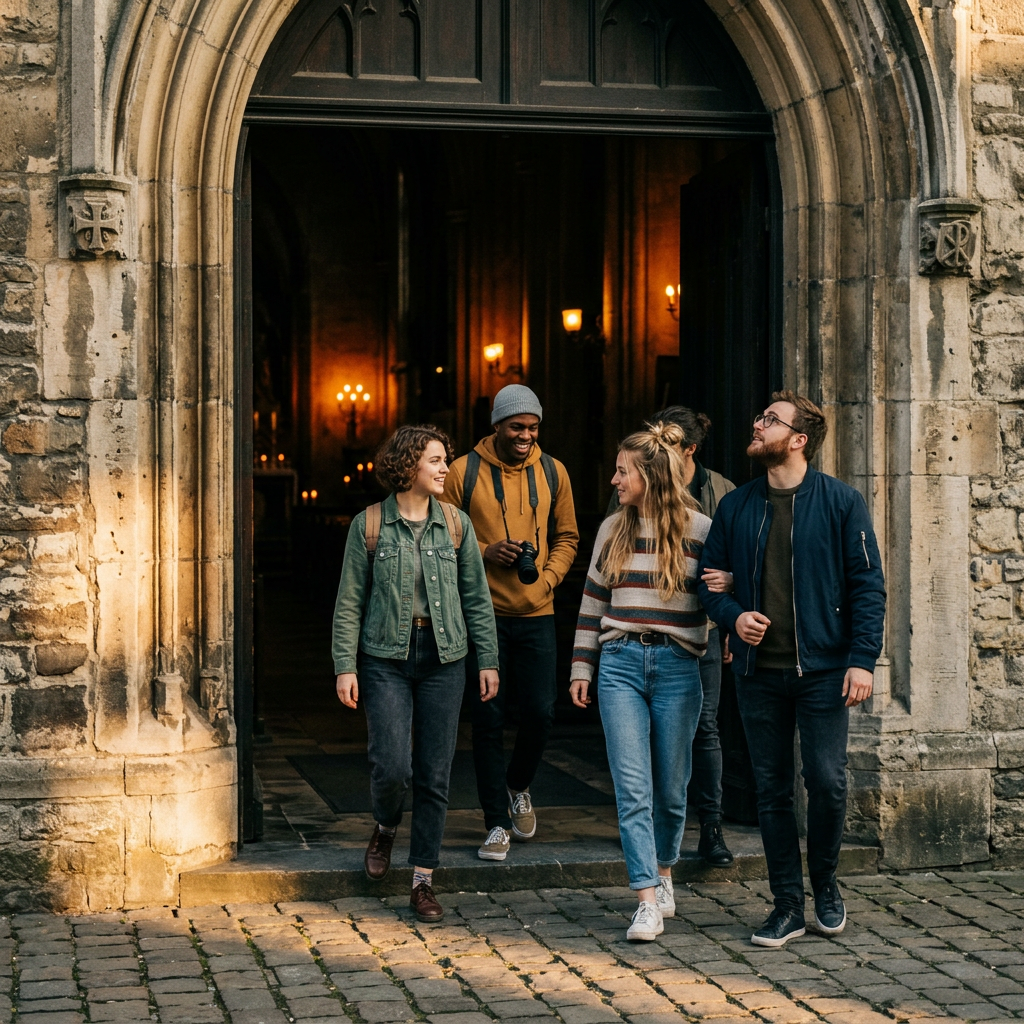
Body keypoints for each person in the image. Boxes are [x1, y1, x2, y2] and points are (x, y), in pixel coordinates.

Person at [697, 391, 886, 948]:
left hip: (826, 670)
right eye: (759, 416)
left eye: (769, 420)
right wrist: (735, 618)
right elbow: (709, 582)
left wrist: (862, 660)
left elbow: (867, 586)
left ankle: (825, 884)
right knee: (771, 790)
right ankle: (786, 905)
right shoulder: (737, 506)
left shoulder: (841, 502)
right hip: (758, 673)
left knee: (826, 782)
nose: (756, 425)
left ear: (798, 439)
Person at [332, 424, 500, 923]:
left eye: (444, 459)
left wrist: (486, 659)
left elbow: (476, 597)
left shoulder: (457, 525)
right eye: (435, 460)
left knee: (434, 773)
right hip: (385, 658)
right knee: (392, 766)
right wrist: (345, 666)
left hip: (445, 657)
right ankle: (385, 824)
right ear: (408, 466)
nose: (445, 468)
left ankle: (423, 879)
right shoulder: (368, 525)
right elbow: (348, 603)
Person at [569, 423, 710, 943]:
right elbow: (591, 603)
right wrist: (582, 666)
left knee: (671, 791)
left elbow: (717, 602)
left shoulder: (701, 531)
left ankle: (665, 869)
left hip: (677, 667)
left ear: (649, 475)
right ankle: (646, 899)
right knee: (632, 790)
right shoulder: (612, 529)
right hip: (620, 665)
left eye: (623, 471)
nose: (614, 479)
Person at [442, 384, 579, 862]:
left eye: (533, 427)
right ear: (497, 425)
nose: (526, 435)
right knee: (487, 718)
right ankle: (494, 823)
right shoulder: (463, 471)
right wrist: (484, 553)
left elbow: (567, 536)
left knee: (541, 712)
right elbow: (444, 537)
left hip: (537, 611)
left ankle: (517, 785)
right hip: (483, 617)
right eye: (517, 426)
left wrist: (548, 580)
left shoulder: (553, 471)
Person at [608, 406, 737, 866]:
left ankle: (710, 828)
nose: (616, 480)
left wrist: (728, 623)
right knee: (634, 765)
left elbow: (728, 572)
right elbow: (603, 587)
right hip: (627, 650)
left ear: (688, 451)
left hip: (694, 640)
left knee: (696, 742)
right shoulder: (619, 517)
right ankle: (648, 862)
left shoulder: (719, 498)